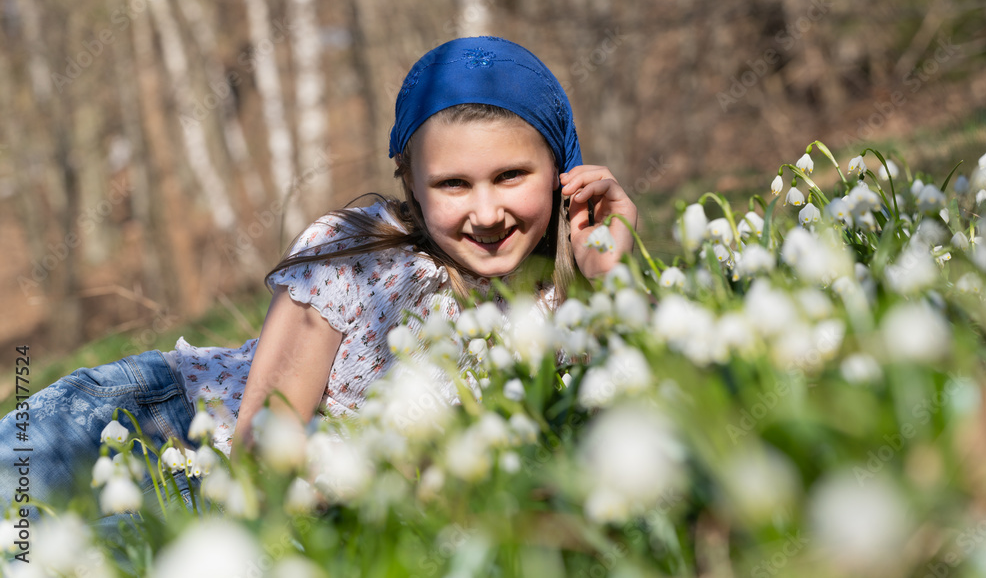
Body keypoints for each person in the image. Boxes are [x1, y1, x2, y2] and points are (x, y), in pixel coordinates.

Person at [0, 36, 637, 516]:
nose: (487, 212)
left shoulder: (563, 306)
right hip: (158, 419)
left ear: (561, 169)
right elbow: (262, 437)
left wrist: (610, 270)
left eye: (510, 176)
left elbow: (635, 409)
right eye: (453, 184)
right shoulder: (357, 255)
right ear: (410, 185)